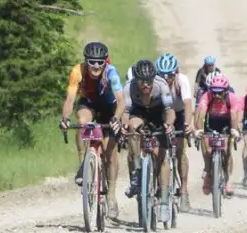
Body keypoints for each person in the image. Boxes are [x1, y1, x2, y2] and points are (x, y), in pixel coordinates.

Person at [60, 41, 125, 217]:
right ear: (86, 61)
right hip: (88, 103)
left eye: (100, 63)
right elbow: (70, 99)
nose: (96, 66)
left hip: (108, 107)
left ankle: (111, 195)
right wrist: (65, 119)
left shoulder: (111, 73)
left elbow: (121, 101)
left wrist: (116, 119)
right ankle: (84, 164)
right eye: (92, 62)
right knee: (82, 122)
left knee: (109, 152)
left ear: (106, 62)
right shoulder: (77, 71)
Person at [120, 59, 177, 201]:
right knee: (132, 127)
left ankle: (164, 197)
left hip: (159, 114)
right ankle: (138, 171)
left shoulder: (161, 85)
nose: (146, 84)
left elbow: (170, 111)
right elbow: (126, 112)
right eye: (142, 81)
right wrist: (124, 126)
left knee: (161, 155)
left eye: (149, 81)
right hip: (140, 113)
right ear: (136, 79)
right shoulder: (129, 87)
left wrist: (169, 124)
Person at [155, 52, 195, 211]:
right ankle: (160, 184)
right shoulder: (156, 82)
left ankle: (184, 191)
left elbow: (188, 104)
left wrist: (187, 124)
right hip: (162, 113)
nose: (166, 79)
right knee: (159, 150)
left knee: (179, 150)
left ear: (175, 73)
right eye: (162, 75)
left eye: (170, 75)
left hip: (178, 113)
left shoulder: (182, 80)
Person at [193, 72, 242, 197]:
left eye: (219, 92)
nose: (216, 95)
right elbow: (201, 114)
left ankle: (227, 180)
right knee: (206, 145)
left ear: (225, 91)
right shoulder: (207, 96)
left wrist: (235, 130)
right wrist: (198, 130)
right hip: (212, 122)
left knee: (227, 150)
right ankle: (208, 172)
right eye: (214, 92)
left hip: (227, 122)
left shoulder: (231, 97)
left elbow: (234, 116)